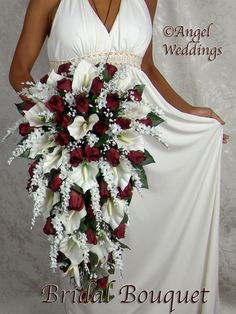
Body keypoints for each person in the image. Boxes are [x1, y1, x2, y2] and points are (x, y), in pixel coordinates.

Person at [8, 1, 229, 313]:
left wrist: (188, 111)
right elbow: (19, 70)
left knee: (140, 237)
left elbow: (147, 68)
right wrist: (50, 116)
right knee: (89, 242)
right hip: (76, 138)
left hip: (136, 134)